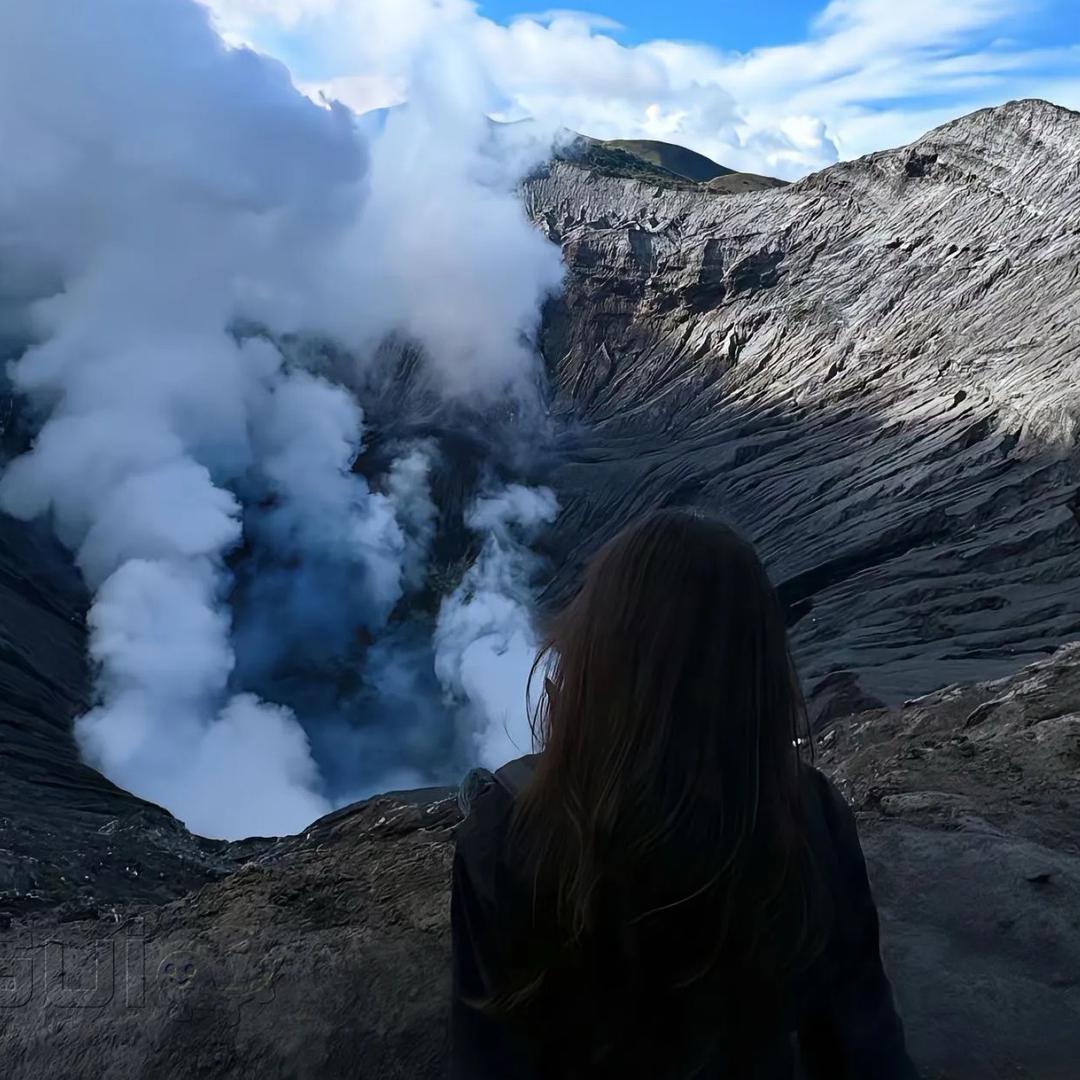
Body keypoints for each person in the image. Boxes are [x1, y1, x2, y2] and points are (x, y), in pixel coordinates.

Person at [451, 508, 918, 1079]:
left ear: (598, 650)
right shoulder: (810, 814)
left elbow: (491, 1058)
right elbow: (862, 1045)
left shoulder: (504, 834)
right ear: (758, 666)